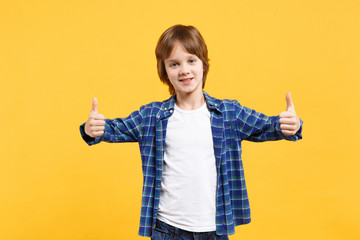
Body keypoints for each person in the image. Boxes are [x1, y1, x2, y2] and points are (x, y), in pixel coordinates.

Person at [79, 24, 303, 240]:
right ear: (165, 72)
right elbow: (112, 128)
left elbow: (270, 126)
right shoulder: (152, 116)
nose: (184, 70)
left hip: (215, 228)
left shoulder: (228, 113)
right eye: (174, 64)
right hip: (167, 229)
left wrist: (291, 124)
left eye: (191, 61)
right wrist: (92, 129)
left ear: (203, 65)